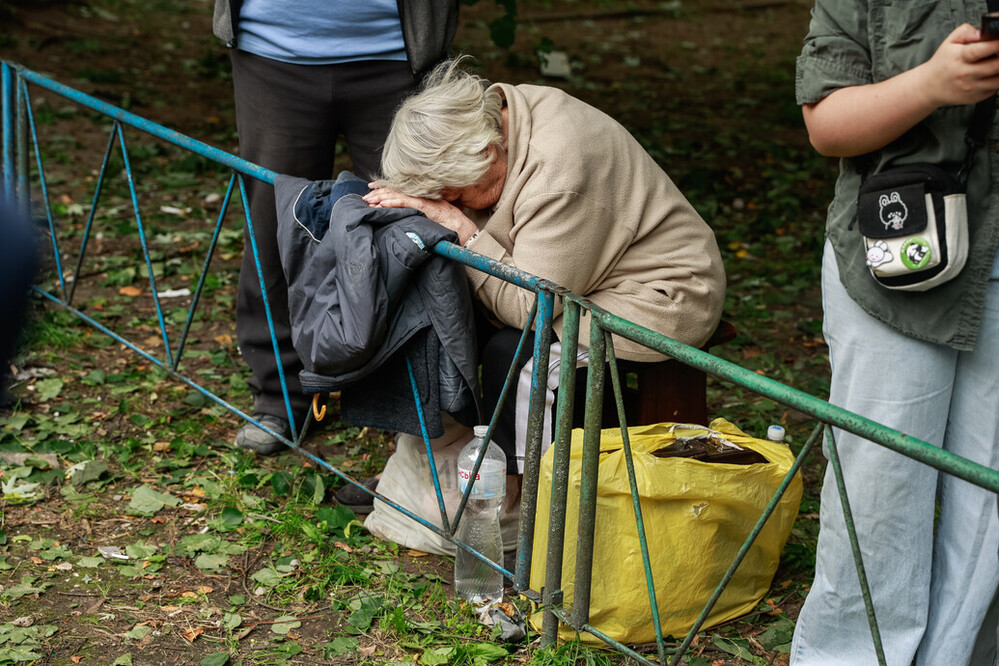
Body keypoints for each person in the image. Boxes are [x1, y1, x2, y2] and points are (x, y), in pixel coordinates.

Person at [364, 59, 726, 477]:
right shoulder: (489, 118)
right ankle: (427, 470)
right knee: (440, 318)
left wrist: (461, 228)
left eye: (456, 193)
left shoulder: (559, 169)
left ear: (485, 153)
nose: (452, 203)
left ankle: (514, 501)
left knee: (518, 357)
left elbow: (529, 309)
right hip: (581, 275)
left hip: (660, 294)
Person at [792, 4, 999, 665]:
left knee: (990, 505)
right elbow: (825, 125)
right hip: (892, 263)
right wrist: (932, 84)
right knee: (880, 486)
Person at [211, 0, 459, 454]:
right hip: (273, 51)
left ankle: (407, 403)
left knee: (407, 228)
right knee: (273, 230)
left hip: (399, 52)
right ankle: (280, 396)